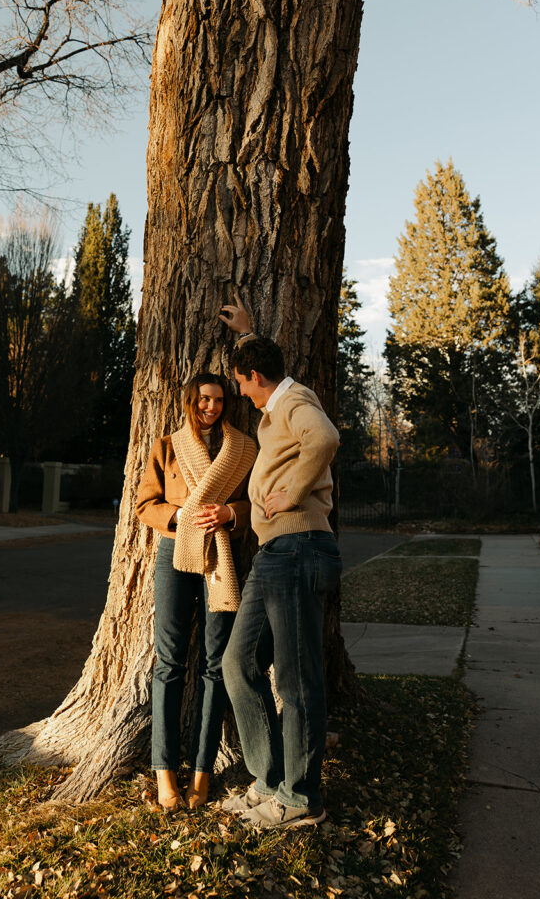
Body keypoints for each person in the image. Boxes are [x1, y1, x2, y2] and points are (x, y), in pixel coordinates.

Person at [219, 295, 341, 829]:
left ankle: (301, 799)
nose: (239, 392)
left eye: (241, 382)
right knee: (238, 665)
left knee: (295, 681)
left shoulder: (293, 403)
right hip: (276, 556)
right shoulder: (279, 402)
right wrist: (245, 332)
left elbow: (326, 437)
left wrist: (291, 491)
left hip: (298, 549)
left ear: (254, 378)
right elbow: (264, 363)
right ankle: (270, 781)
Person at [136, 372, 257, 812]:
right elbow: (145, 506)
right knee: (168, 663)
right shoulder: (167, 445)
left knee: (214, 664)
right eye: (204, 399)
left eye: (219, 400)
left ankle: (203, 771)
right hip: (174, 556)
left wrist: (229, 512)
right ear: (191, 400)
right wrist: (183, 515)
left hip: (221, 558)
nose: (212, 407)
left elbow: (255, 502)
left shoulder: (242, 448)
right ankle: (164, 771)